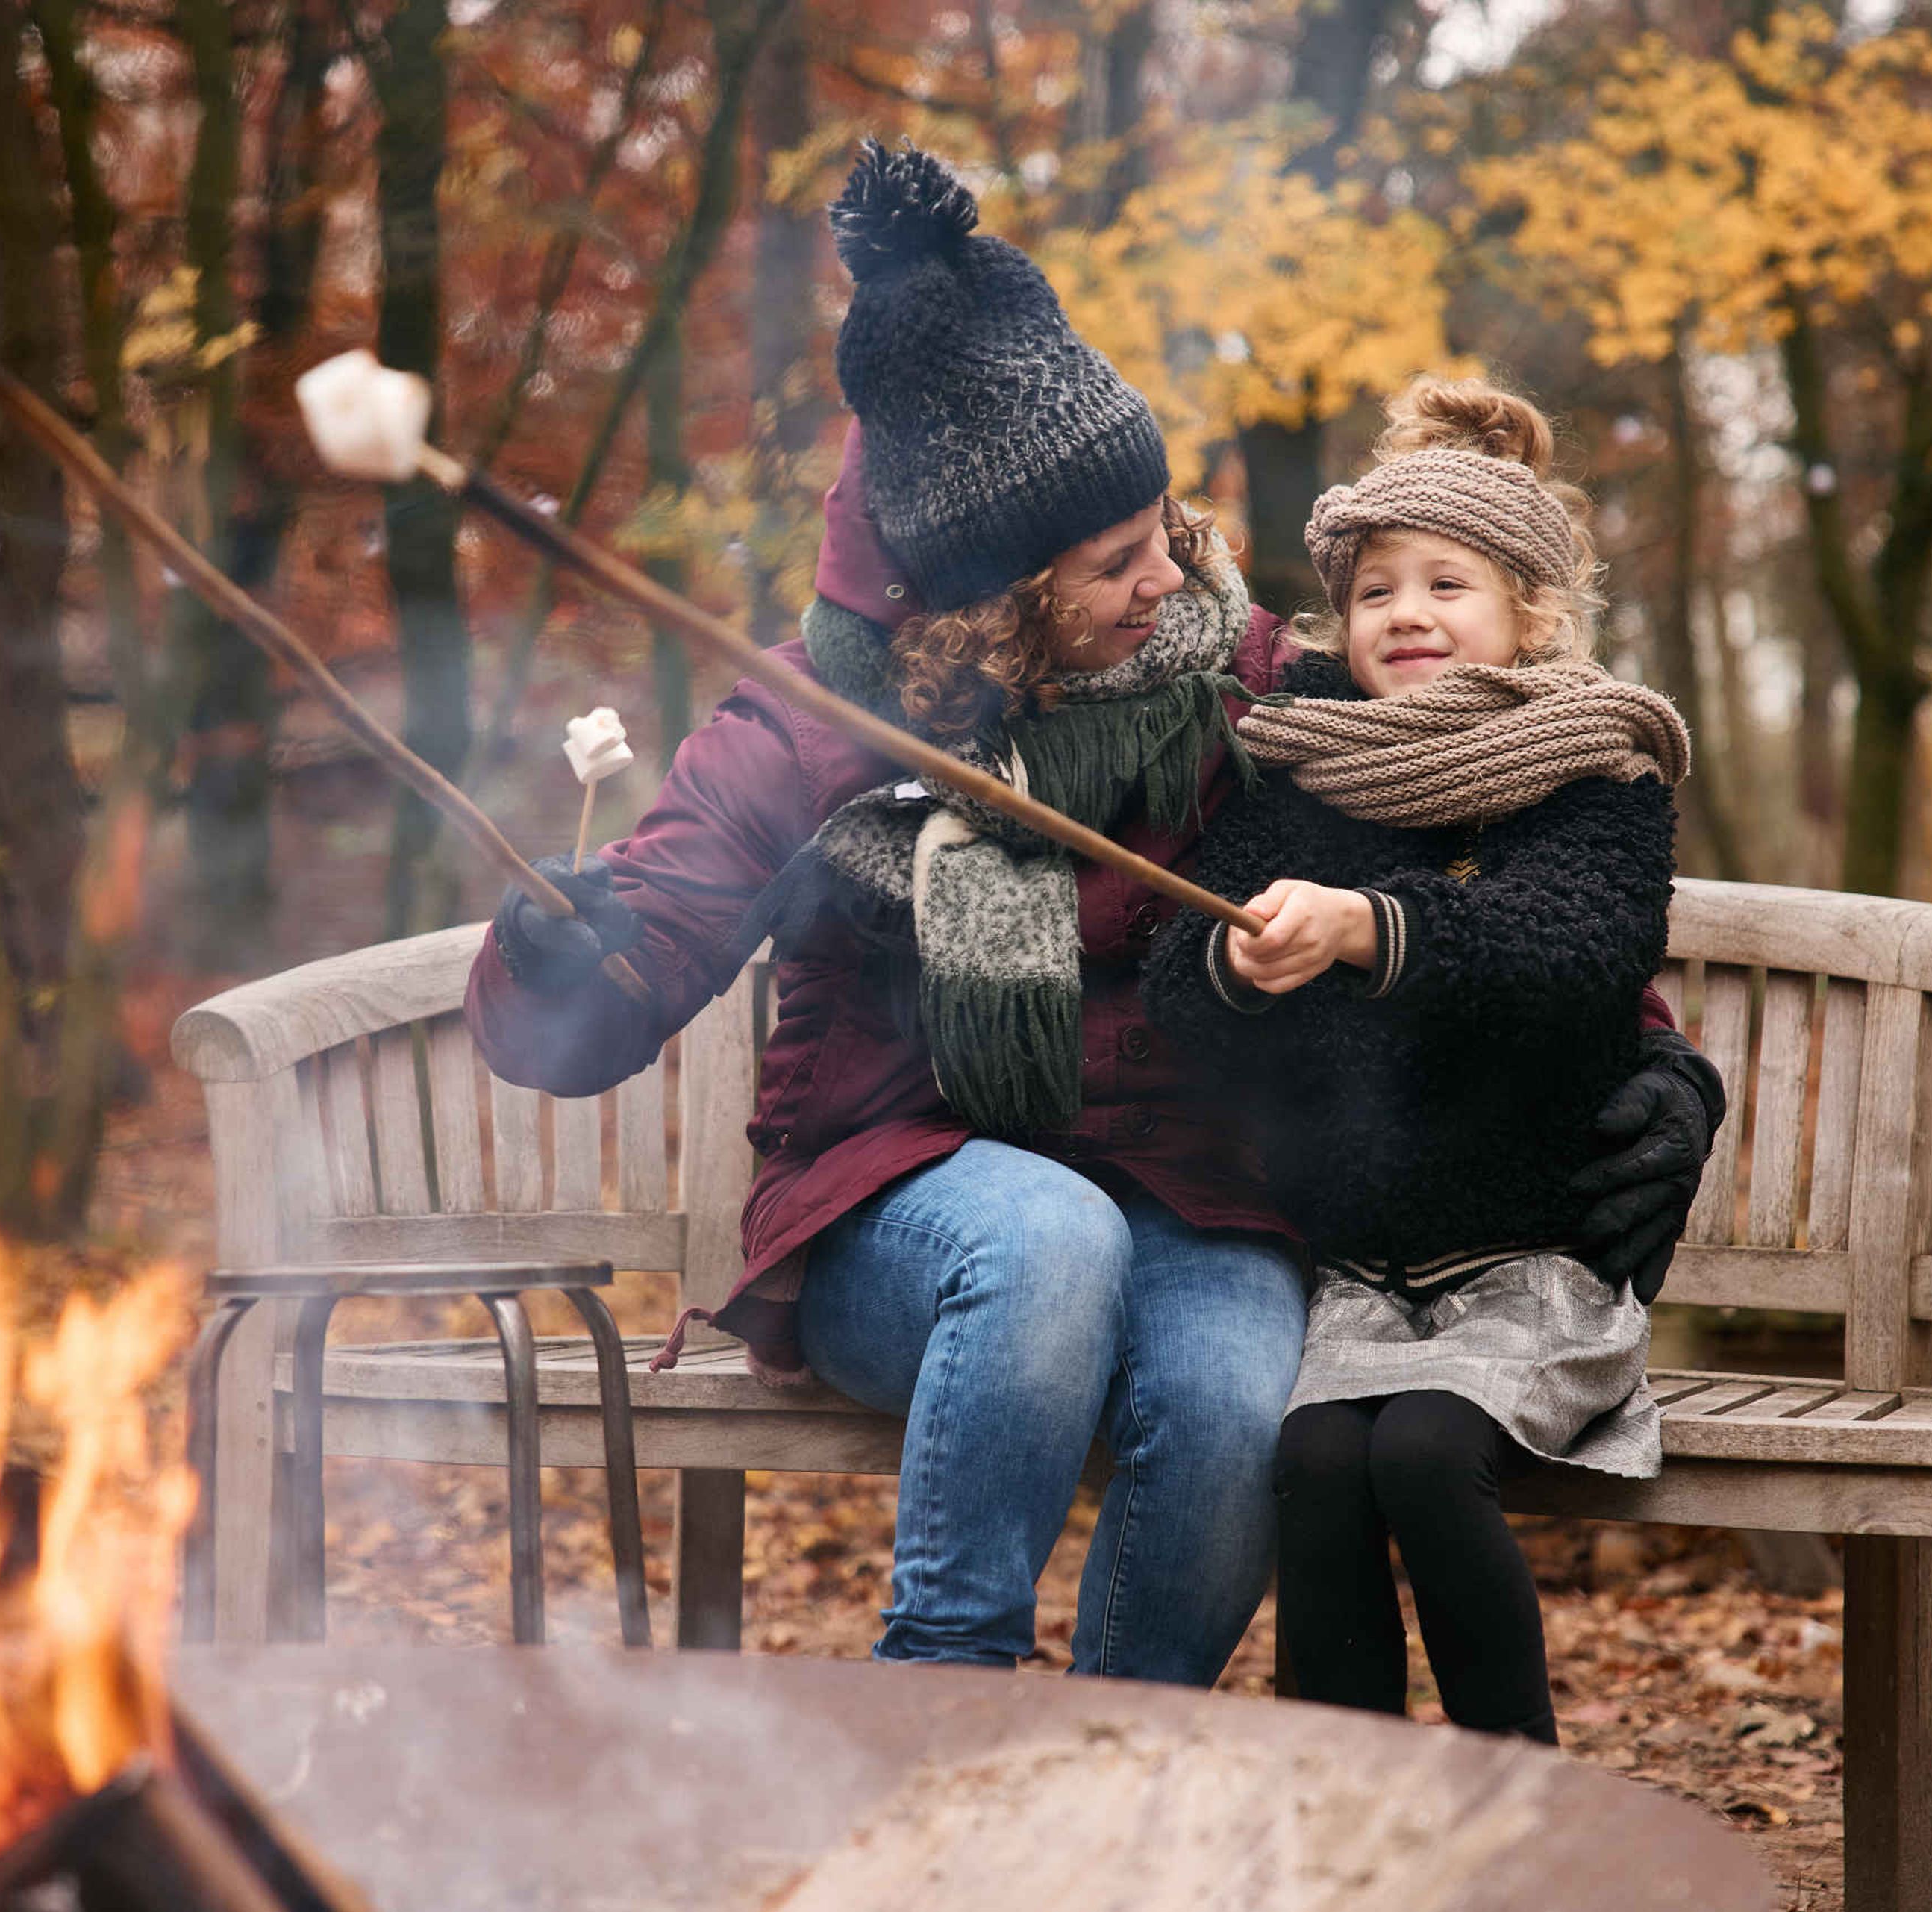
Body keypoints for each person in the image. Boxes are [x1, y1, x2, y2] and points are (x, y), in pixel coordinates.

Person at [466, 143, 1719, 1687]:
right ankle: (945, 1702)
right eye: (1118, 560)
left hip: (1187, 1189)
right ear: (1001, 599)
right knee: (1043, 1234)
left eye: (1167, 530)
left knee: (1240, 1376)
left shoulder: (1238, 676)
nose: (1169, 577)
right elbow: (630, 954)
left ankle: (1120, 1765)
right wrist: (555, 958)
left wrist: (1657, 1062)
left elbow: (1465, 845)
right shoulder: (817, 726)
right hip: (899, 1204)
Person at [1145, 374, 1707, 1738]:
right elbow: (1176, 989)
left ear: (1531, 612)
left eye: (1448, 583)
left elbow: (1571, 953)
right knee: (1321, 1456)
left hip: (1533, 1264)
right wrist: (1234, 961)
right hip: (1361, 1269)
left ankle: (1517, 1808)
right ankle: (1355, 1817)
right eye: (1377, 587)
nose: (1407, 613)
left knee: (1425, 1448)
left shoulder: (1593, 773)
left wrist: (1374, 930)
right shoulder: (1298, 773)